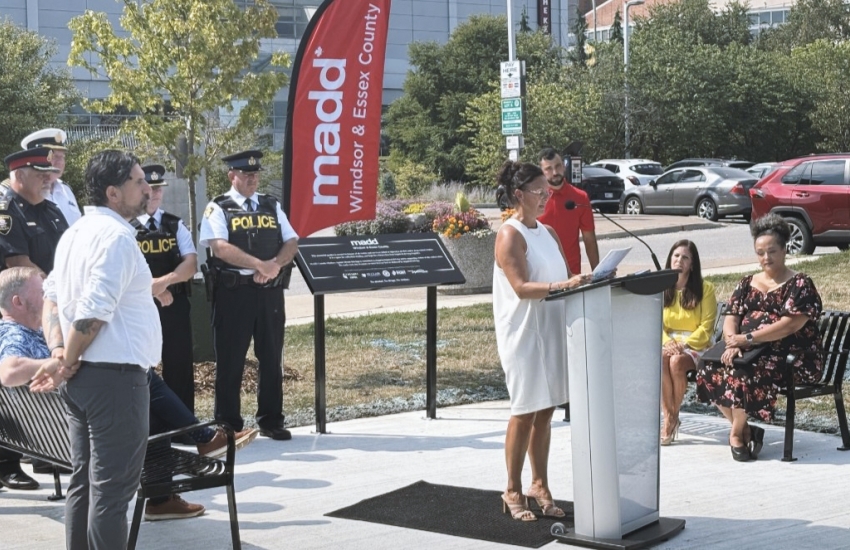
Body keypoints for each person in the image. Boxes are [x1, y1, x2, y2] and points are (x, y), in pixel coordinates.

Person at [42, 149, 160, 549]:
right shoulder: (116, 238)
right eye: (139, 181)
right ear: (113, 192)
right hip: (116, 383)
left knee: (84, 486)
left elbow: (52, 299)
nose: (148, 188)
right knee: (110, 495)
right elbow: (92, 313)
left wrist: (60, 353)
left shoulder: (74, 233)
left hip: (89, 380)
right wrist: (65, 360)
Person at [492, 160, 589, 522]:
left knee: (545, 410)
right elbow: (520, 287)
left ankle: (540, 484)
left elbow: (563, 273)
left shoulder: (546, 231)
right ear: (519, 195)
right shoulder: (509, 234)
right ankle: (512, 489)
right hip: (522, 333)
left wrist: (585, 280)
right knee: (524, 409)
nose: (546, 195)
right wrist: (563, 285)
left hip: (551, 328)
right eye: (539, 190)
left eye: (546, 190)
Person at [696, 214, 824, 462]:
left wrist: (748, 339)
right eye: (760, 252)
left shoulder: (800, 284)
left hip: (791, 357)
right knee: (706, 365)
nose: (766, 258)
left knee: (744, 369)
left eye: (772, 251)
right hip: (749, 350)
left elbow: (789, 326)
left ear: (785, 249)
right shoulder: (746, 283)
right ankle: (745, 429)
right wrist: (733, 342)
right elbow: (731, 317)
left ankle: (736, 433)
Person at [199, 150, 298, 441]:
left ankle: (271, 419)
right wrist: (259, 265)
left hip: (269, 293)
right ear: (232, 176)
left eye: (255, 174)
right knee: (231, 360)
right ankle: (228, 424)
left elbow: (292, 241)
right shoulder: (218, 207)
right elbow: (219, 247)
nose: (253, 178)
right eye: (246, 174)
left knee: (271, 358)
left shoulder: (271, 204)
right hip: (234, 294)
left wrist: (274, 266)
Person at [132, 164, 198, 411]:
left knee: (179, 363)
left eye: (160, 188)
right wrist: (154, 291)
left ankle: (184, 423)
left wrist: (163, 283)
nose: (156, 193)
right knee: (140, 367)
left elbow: (190, 265)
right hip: (139, 305)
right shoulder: (127, 226)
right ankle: (148, 425)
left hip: (174, 305)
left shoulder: (174, 224)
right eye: (151, 187)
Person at [660, 240, 716, 445]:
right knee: (661, 359)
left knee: (676, 362)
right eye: (676, 256)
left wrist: (683, 345)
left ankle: (671, 418)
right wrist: (667, 342)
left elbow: (707, 327)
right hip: (668, 344)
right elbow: (656, 324)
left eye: (685, 257)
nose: (679, 261)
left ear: (692, 264)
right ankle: (670, 417)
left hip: (695, 345)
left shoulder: (705, 289)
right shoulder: (662, 288)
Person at [0, 147, 69, 273]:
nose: (48, 180)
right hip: (30, 291)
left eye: (49, 174)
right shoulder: (5, 213)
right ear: (19, 176)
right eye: (41, 175)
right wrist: (54, 289)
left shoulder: (53, 210)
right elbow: (19, 264)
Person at [537, 147, 599, 275]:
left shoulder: (580, 198)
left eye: (558, 166)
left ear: (564, 166)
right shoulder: (534, 198)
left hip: (571, 273)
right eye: (548, 169)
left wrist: (598, 273)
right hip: (541, 274)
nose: (555, 172)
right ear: (541, 172)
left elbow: (589, 239)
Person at [21, 128, 82, 226]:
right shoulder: (22, 193)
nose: (60, 162)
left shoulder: (66, 191)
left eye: (62, 157)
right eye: (54, 157)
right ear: (36, 158)